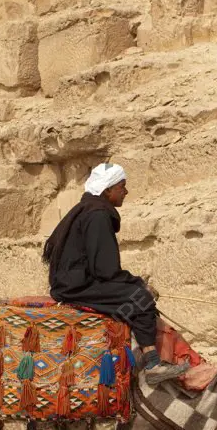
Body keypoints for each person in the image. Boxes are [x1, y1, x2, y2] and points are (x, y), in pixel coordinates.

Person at [42, 162, 189, 385]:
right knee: (141, 298)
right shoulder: (98, 215)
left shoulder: (86, 209)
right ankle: (151, 363)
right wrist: (140, 285)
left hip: (70, 282)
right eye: (122, 186)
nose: (125, 192)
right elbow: (105, 270)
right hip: (77, 287)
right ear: (108, 190)